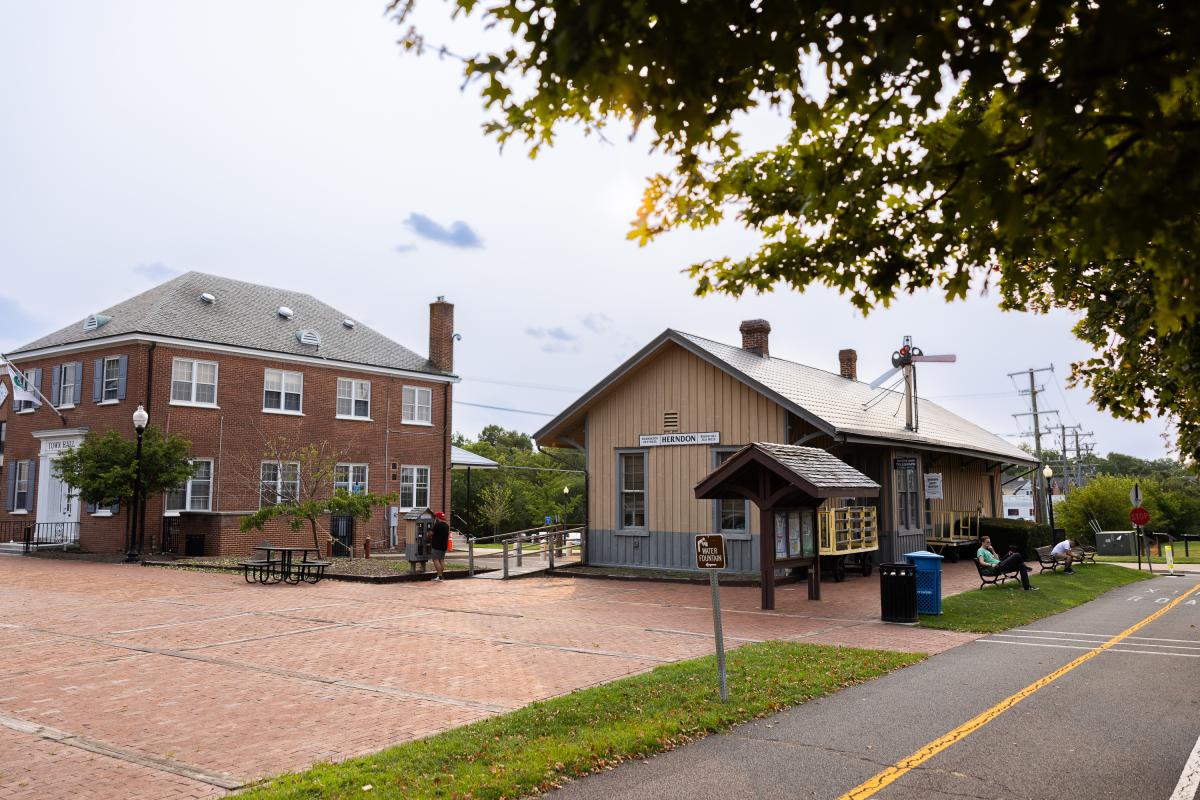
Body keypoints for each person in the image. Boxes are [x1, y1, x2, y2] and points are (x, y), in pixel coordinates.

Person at [430, 511, 451, 582]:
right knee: (441, 560)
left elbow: (431, 533)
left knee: (435, 560)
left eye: (436, 517)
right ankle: (441, 576)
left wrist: (426, 535)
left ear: (438, 517)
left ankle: (439, 576)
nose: (435, 518)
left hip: (436, 546)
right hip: (444, 546)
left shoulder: (437, 525)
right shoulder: (446, 525)